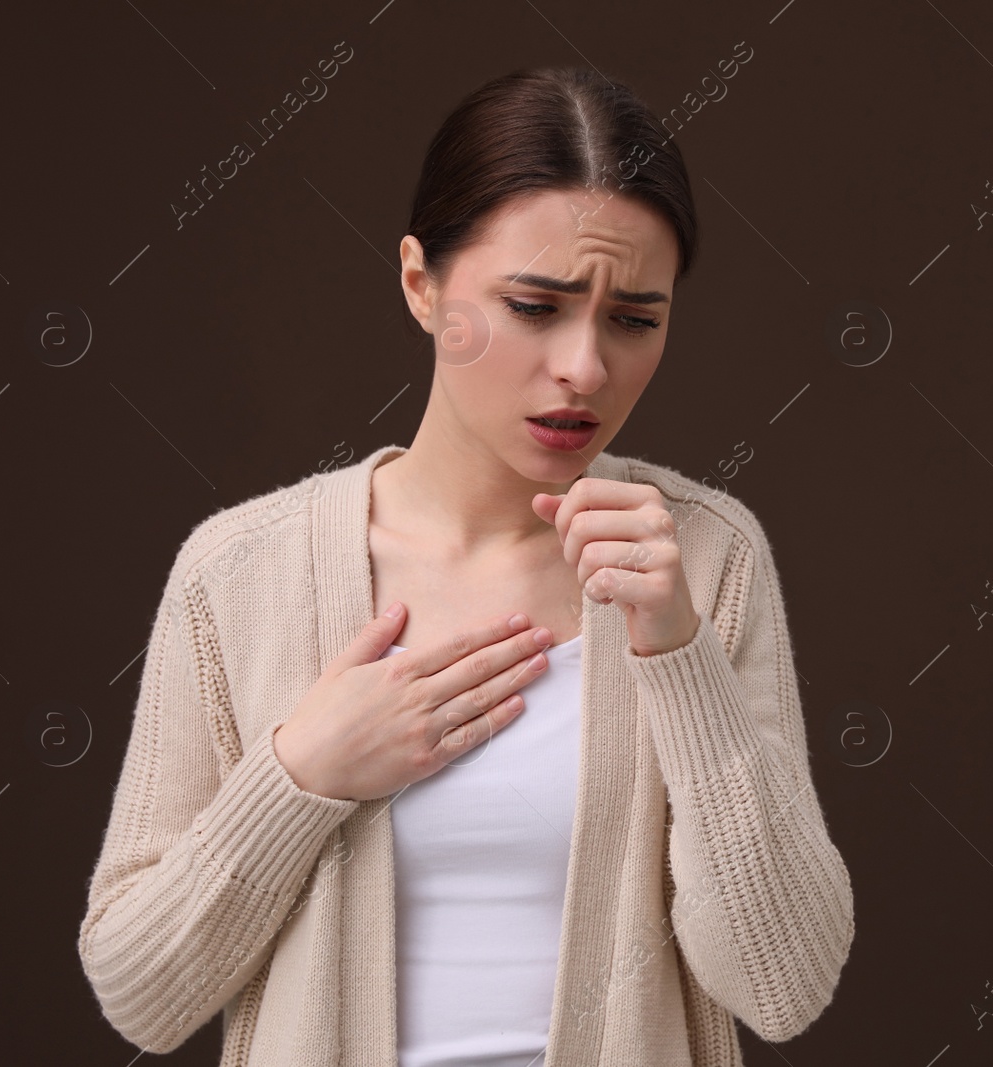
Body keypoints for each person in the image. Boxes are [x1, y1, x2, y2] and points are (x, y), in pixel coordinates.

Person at [77, 65, 854, 1067]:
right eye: (536, 304)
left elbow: (782, 983)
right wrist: (300, 772)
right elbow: (140, 995)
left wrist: (677, 653)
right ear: (421, 285)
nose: (584, 366)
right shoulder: (238, 573)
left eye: (634, 319)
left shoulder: (704, 557)